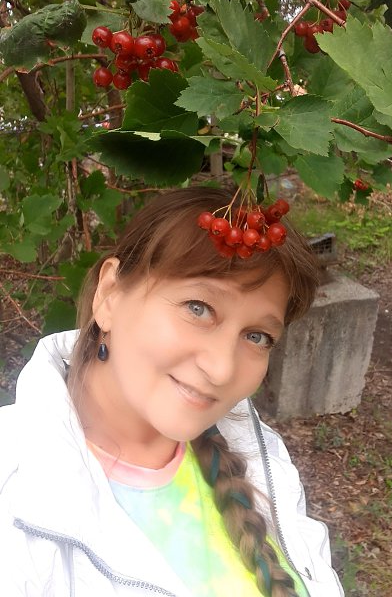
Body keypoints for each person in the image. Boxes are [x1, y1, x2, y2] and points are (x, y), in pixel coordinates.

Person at [0, 187, 344, 596]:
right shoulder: (13, 494)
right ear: (109, 294)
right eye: (198, 308)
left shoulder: (262, 455)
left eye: (256, 336)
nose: (221, 369)